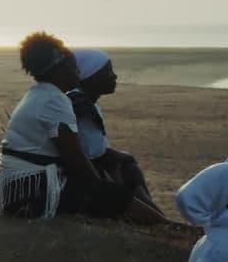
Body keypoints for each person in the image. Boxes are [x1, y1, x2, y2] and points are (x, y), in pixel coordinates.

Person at [0, 33, 166, 224]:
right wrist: (101, 190)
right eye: (72, 67)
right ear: (58, 69)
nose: (77, 72)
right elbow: (76, 161)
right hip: (28, 195)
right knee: (115, 196)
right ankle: (168, 229)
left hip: (18, 190)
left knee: (111, 189)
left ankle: (163, 225)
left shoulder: (42, 94)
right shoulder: (55, 101)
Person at [65, 50, 161, 214]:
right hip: (81, 178)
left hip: (89, 170)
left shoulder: (86, 103)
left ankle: (152, 213)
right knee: (124, 168)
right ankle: (154, 216)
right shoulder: (81, 106)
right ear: (91, 77)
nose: (114, 77)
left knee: (127, 165)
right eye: (108, 72)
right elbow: (92, 155)